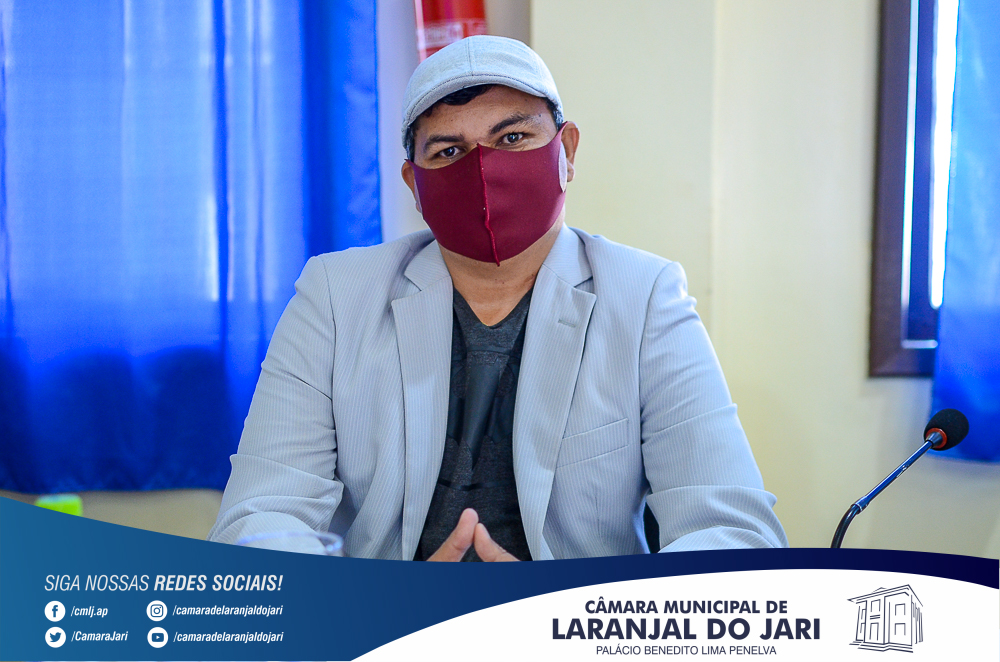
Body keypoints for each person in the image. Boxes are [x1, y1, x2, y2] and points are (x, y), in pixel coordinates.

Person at [208, 35, 787, 561]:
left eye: (513, 138)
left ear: (567, 151)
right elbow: (260, 517)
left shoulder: (644, 296)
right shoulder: (336, 295)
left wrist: (556, 615)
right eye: (448, 151)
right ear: (414, 184)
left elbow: (732, 531)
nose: (483, 170)